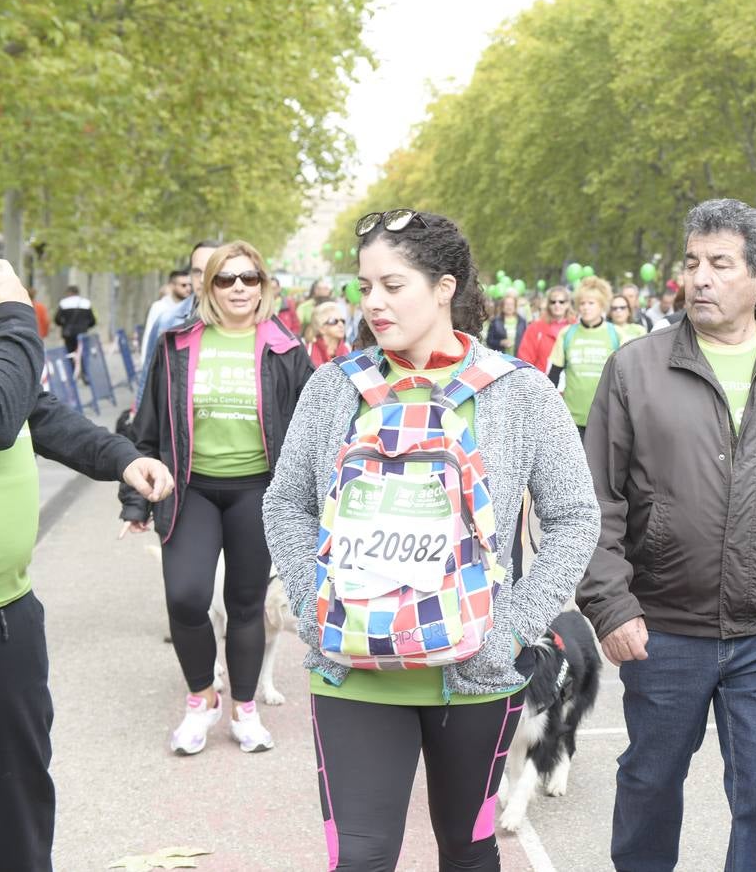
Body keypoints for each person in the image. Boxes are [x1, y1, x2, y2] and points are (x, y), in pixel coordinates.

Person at [262, 209, 600, 869]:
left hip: (474, 676)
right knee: (359, 859)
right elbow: (286, 500)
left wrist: (514, 623)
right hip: (352, 670)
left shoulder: (519, 395)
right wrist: (311, 603)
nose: (374, 303)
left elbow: (575, 516)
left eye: (394, 284)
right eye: (366, 286)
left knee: (468, 852)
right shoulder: (335, 389)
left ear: (445, 287)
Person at [578, 198, 756, 872]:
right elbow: (596, 502)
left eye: (719, 264)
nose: (699, 278)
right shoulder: (635, 369)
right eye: (692, 262)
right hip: (662, 629)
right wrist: (612, 606)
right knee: (648, 784)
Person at [0, 259, 175, 871]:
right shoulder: (10, 325)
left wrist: (122, 458)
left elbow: (35, 411)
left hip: (10, 610)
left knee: (20, 792)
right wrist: (18, 314)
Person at [120, 241, 313, 756]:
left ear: (263, 285)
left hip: (257, 490)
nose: (238, 288)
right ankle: (202, 699)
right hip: (191, 489)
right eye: (226, 279)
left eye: (249, 278)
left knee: (246, 605)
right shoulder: (177, 343)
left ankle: (244, 710)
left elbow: (312, 433)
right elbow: (148, 429)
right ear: (209, 287)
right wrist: (136, 501)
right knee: (185, 598)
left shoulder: (285, 348)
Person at [136, 240, 221, 408]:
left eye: (211, 270)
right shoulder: (167, 321)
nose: (203, 279)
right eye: (197, 272)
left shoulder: (245, 323)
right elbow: (148, 380)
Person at [547, 277, 627, 437]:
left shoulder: (616, 334)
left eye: (591, 303)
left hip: (606, 417)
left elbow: (627, 377)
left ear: (602, 305)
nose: (585, 308)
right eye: (582, 303)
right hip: (571, 419)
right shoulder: (567, 333)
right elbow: (553, 376)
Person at [141, 269, 193, 365]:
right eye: (183, 285)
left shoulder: (193, 308)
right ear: (171, 286)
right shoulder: (159, 307)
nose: (188, 288)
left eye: (190, 285)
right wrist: (146, 364)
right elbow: (149, 336)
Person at [516, 285, 572, 371]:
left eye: (561, 302)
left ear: (567, 304)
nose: (557, 305)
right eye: (553, 302)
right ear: (548, 304)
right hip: (542, 379)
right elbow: (525, 358)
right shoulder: (535, 327)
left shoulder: (576, 327)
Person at [54, 284, 96, 377]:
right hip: (82, 333)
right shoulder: (86, 303)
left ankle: (72, 373)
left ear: (69, 293)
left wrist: (64, 325)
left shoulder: (64, 303)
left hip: (69, 333)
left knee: (69, 352)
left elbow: (57, 319)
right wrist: (85, 326)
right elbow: (92, 320)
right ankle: (85, 374)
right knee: (82, 353)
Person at [307, 300, 351, 366]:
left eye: (342, 320)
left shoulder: (348, 349)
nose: (340, 324)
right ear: (321, 328)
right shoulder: (308, 351)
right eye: (333, 321)